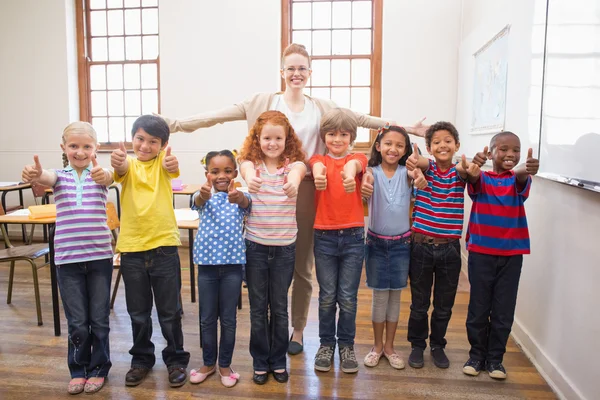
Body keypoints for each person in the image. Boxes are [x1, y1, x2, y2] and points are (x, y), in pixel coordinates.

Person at [158, 43, 428, 355]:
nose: (296, 73)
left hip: (308, 190)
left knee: (302, 264)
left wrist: (407, 128)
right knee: (262, 261)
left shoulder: (322, 106)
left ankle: (297, 329)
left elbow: (362, 119)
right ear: (282, 72)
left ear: (309, 73)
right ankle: (268, 324)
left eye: (302, 68)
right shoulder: (260, 102)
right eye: (291, 68)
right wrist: (173, 124)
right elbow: (215, 117)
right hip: (264, 192)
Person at [22, 122, 114, 394]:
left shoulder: (99, 174)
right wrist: (37, 174)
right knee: (77, 321)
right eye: (74, 146)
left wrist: (104, 173)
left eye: (87, 146)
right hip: (67, 260)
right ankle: (78, 370)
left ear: (96, 148)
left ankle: (99, 369)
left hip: (99, 258)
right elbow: (46, 178)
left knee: (99, 320)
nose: (80, 152)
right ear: (64, 148)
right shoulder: (59, 176)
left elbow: (108, 176)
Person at [110, 115, 190, 388]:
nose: (145, 146)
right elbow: (117, 171)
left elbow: (172, 168)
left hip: (164, 248)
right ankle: (141, 359)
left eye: (153, 141)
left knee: (170, 311)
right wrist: (118, 163)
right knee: (138, 311)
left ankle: (176, 359)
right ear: (133, 139)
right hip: (132, 249)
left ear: (163, 144)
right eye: (140, 139)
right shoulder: (127, 166)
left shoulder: (164, 164)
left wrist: (172, 162)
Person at [462, 132, 539, 380]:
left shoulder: (518, 180)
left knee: (503, 309)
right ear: (492, 152)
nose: (510, 154)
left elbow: (519, 178)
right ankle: (476, 356)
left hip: (512, 256)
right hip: (481, 254)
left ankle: (495, 359)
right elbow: (472, 178)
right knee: (478, 307)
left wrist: (526, 169)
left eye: (515, 150)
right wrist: (472, 170)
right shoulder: (481, 178)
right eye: (503, 149)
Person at [238, 110, 307, 384]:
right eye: (267, 137)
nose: (273, 143)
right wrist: (247, 178)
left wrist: (293, 181)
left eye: (278, 138)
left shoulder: (293, 166)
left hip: (283, 249)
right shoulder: (251, 165)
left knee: (278, 307)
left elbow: (300, 171)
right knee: (257, 308)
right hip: (255, 247)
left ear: (286, 138)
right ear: (258, 138)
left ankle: (277, 360)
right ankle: (259, 360)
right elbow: (243, 166)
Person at [404, 121, 480, 369]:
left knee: (444, 305)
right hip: (421, 247)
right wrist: (416, 164)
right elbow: (420, 163)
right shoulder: (426, 169)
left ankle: (437, 345)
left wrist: (470, 166)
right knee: (419, 303)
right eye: (436, 142)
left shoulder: (459, 173)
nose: (442, 145)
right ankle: (417, 345)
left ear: (457, 145)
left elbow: (464, 169)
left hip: (449, 249)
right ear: (429, 147)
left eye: (448, 141)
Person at [360, 125, 427, 370]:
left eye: (400, 145)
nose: (393, 149)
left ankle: (389, 346)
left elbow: (421, 181)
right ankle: (377, 346)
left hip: (402, 245)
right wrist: (363, 186)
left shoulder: (408, 173)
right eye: (388, 143)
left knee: (395, 297)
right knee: (379, 297)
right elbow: (364, 183)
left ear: (406, 150)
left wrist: (419, 177)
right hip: (375, 244)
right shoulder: (371, 172)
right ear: (378, 146)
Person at [309, 108, 368, 374]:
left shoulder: (357, 158)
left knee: (348, 297)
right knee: (327, 297)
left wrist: (348, 174)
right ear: (324, 136)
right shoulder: (318, 159)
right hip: (324, 236)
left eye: (343, 134)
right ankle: (325, 344)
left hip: (354, 237)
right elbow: (317, 165)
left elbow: (356, 165)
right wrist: (320, 172)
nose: (337, 139)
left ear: (351, 137)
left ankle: (346, 345)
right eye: (332, 134)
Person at [188, 150, 251, 388]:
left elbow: (247, 203)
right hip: (207, 269)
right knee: (206, 319)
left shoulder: (240, 197)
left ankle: (225, 364)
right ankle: (208, 363)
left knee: (228, 319)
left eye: (226, 171)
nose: (221, 176)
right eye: (215, 172)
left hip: (233, 269)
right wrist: (203, 194)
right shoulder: (203, 196)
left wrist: (239, 198)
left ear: (235, 173)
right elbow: (196, 201)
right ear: (208, 175)